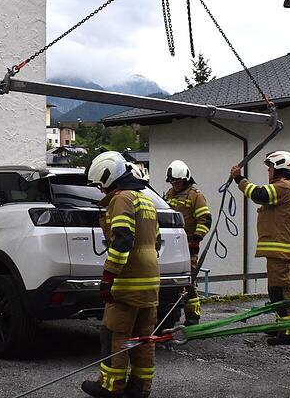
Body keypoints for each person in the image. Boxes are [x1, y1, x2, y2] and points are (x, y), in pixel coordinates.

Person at [82, 151, 159, 398]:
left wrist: (109, 275)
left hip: (129, 278)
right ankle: (140, 387)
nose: (101, 191)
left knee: (114, 333)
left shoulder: (122, 198)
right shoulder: (145, 199)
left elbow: (123, 239)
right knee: (143, 337)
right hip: (150, 278)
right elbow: (154, 240)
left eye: (100, 185)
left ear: (108, 177)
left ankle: (110, 386)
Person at [229, 150, 290, 346]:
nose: (268, 171)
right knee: (277, 289)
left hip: (281, 249)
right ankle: (283, 325)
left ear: (279, 167)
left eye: (270, 167)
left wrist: (239, 179)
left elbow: (258, 193)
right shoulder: (283, 188)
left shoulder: (284, 187)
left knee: (281, 290)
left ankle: (289, 332)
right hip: (279, 249)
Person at [162, 159, 211, 325]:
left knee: (188, 282)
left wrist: (196, 240)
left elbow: (205, 220)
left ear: (186, 178)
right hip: (170, 246)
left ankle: (192, 317)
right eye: (173, 181)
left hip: (188, 245)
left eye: (178, 181)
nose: (175, 184)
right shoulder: (168, 194)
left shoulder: (195, 195)